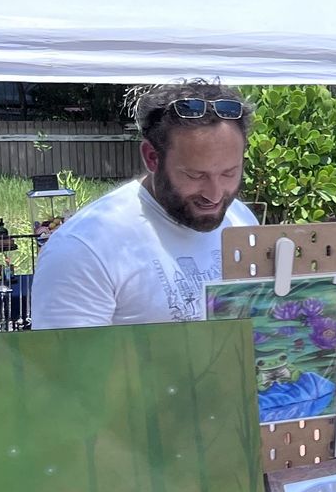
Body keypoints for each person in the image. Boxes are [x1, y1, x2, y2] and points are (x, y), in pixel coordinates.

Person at [31, 81, 258, 329]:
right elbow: (64, 365)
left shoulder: (241, 219)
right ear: (152, 157)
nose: (215, 195)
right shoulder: (83, 249)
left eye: (229, 173)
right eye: (195, 175)